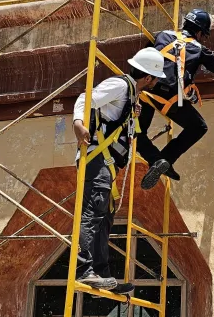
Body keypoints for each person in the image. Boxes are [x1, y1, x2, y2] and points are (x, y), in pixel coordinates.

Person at [72, 47, 167, 292]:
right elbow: (86, 98)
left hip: (109, 165)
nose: (157, 82)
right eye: (157, 78)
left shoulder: (131, 96)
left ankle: (101, 274)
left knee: (104, 218)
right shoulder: (121, 86)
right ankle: (84, 271)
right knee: (93, 213)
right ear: (149, 78)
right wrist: (77, 124)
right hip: (97, 160)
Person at [137, 9, 214, 190]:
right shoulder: (200, 48)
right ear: (200, 32)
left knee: (137, 133)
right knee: (198, 127)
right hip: (171, 100)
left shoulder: (163, 35)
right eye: (204, 35)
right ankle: (166, 159)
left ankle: (156, 160)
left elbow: (146, 52)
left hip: (147, 91)